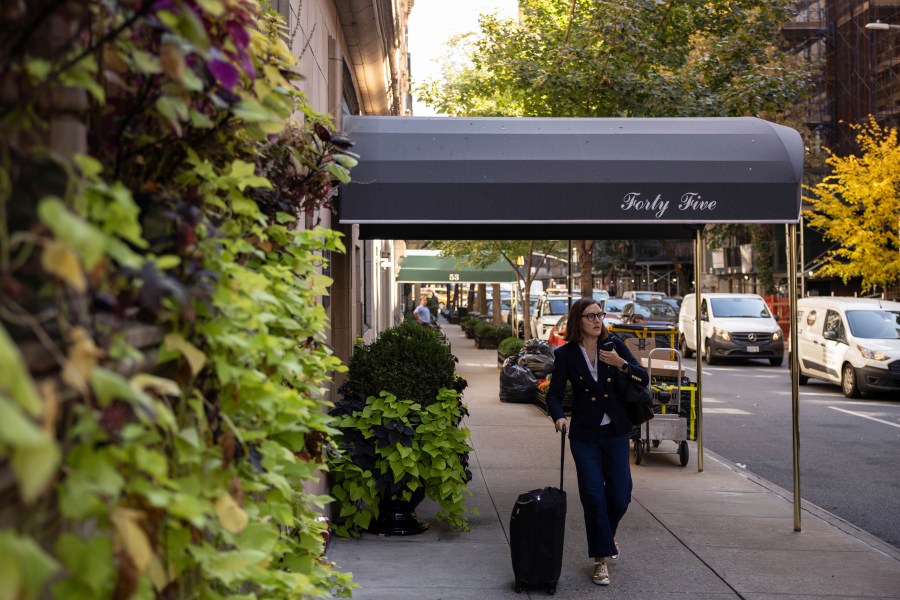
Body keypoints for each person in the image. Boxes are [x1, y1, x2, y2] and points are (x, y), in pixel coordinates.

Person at [545, 297, 649, 587]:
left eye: (599, 315)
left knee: (620, 495)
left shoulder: (613, 344)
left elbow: (644, 377)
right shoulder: (566, 354)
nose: (596, 320)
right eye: (590, 316)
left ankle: (606, 534)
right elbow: (554, 394)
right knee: (592, 495)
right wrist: (558, 417)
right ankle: (601, 560)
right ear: (577, 320)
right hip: (584, 435)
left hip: (615, 431)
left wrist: (621, 364)